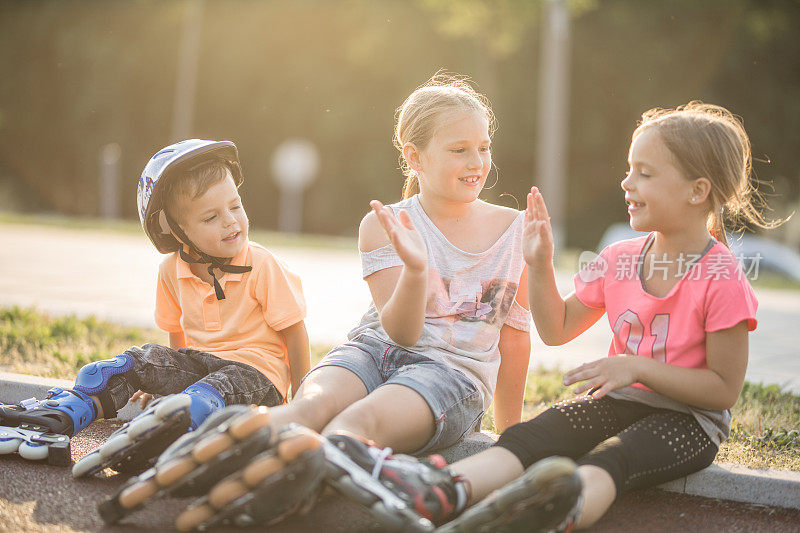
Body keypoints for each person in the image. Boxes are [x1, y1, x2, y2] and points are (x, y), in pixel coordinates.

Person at [122, 74, 533, 532]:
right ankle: (192, 453)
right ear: (414, 157)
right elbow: (401, 333)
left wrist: (509, 437)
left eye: (483, 147)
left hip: (449, 375)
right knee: (306, 411)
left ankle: (271, 488)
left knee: (354, 426)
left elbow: (515, 339)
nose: (476, 161)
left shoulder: (517, 231)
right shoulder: (383, 224)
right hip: (374, 349)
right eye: (459, 149)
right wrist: (415, 272)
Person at [359, 101, 776, 533]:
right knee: (533, 435)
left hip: (689, 423)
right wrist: (539, 265)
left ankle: (548, 518)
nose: (626, 182)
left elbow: (723, 391)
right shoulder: (617, 259)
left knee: (611, 458)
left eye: (645, 174)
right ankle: (444, 492)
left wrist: (635, 367)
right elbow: (556, 329)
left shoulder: (722, 275)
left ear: (697, 191)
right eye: (630, 169)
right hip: (620, 403)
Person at [0, 139, 310, 482]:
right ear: (176, 232)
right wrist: (167, 379)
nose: (231, 221)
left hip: (256, 374)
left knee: (203, 398)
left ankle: (165, 436)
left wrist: (302, 402)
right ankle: (59, 417)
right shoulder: (170, 270)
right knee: (119, 367)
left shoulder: (263, 264)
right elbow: (177, 340)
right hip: (201, 366)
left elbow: (295, 333)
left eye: (235, 207)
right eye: (211, 217)